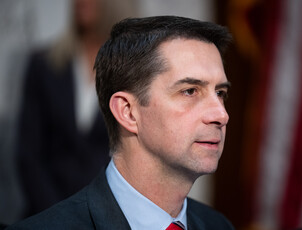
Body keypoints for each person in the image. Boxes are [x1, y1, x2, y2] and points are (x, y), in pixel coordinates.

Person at [7, 15, 234, 229]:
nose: (221, 115)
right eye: (190, 91)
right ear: (128, 112)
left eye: (220, 93)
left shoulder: (218, 225)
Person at [15, 0, 136, 217]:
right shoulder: (44, 64)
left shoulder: (134, 75)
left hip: (108, 215)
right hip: (45, 214)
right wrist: (58, 216)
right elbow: (28, 155)